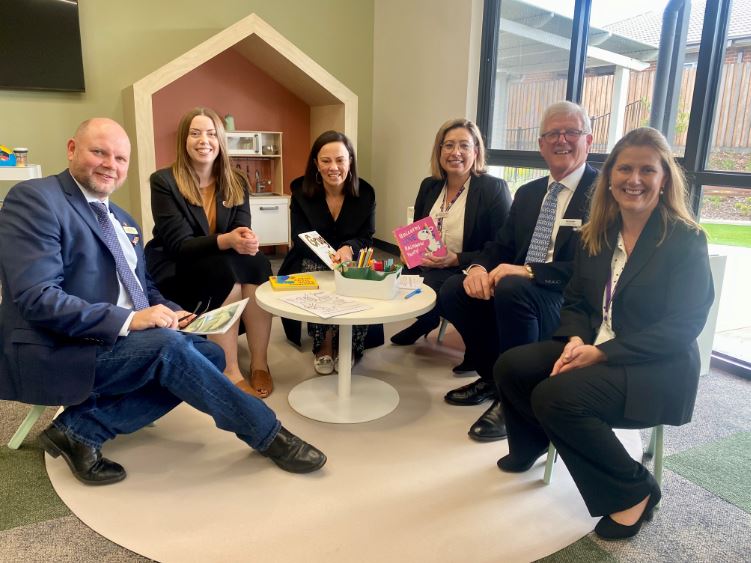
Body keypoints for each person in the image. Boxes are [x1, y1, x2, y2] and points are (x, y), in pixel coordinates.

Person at [0, 118, 326, 485]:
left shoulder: (122, 219)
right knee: (169, 349)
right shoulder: (36, 199)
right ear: (72, 150)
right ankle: (269, 435)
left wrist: (172, 310)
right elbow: (37, 297)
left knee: (213, 354)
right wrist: (128, 321)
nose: (111, 164)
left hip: (110, 339)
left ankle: (80, 430)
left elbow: (143, 286)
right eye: (99, 152)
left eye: (121, 158)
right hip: (59, 347)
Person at [494, 127, 714, 540]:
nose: (634, 179)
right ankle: (535, 441)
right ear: (609, 176)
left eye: (647, 170)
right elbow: (576, 300)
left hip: (653, 365)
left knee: (554, 397)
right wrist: (576, 338)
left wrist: (604, 354)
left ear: (664, 178)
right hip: (596, 344)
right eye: (625, 168)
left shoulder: (686, 240)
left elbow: (682, 327)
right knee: (512, 366)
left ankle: (635, 490)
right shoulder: (597, 233)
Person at [438, 101, 598, 442]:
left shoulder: (603, 196)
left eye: (571, 132)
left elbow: (594, 268)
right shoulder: (529, 193)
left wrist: (528, 272)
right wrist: (478, 268)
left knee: (511, 287)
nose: (561, 140)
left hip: (568, 298)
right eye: (552, 133)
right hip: (523, 287)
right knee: (456, 288)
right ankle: (492, 376)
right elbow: (502, 246)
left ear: (589, 140)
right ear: (541, 145)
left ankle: (516, 400)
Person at [145, 107, 274, 398]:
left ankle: (260, 363)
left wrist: (246, 239)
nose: (204, 140)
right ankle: (229, 369)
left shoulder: (236, 181)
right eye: (195, 133)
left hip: (219, 259)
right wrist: (229, 240)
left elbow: (241, 227)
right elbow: (180, 245)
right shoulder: (164, 182)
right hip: (177, 265)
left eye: (212, 133)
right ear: (184, 140)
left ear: (221, 140)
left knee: (258, 265)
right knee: (224, 272)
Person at [390, 118, 512, 373]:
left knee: (440, 287)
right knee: (395, 277)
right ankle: (427, 320)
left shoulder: (492, 189)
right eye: (448, 145)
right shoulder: (430, 185)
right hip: (430, 264)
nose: (455, 152)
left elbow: (501, 246)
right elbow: (419, 229)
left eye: (464, 146)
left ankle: (478, 349)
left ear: (475, 151)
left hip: (469, 267)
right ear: (439, 151)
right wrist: (407, 249)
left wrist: (457, 259)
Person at [278, 131, 377, 374]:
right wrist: (328, 256)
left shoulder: (365, 193)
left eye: (340, 160)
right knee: (319, 271)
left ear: (350, 161)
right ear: (316, 164)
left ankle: (350, 343)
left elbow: (367, 237)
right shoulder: (300, 191)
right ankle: (325, 342)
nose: (334, 167)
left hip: (351, 257)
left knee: (352, 274)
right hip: (310, 256)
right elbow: (299, 237)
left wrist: (348, 249)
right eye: (326, 161)